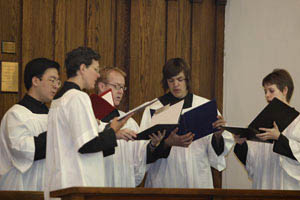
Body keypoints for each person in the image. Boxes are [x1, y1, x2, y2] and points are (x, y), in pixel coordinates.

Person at [44, 47, 131, 198]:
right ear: (83, 68)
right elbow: (87, 145)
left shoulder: (58, 99)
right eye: (95, 69)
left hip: (62, 182)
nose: (98, 75)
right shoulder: (78, 97)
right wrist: (112, 130)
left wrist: (113, 135)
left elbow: (73, 142)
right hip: (78, 184)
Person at [140, 57, 234, 188]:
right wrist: (167, 143)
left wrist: (218, 136)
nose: (175, 85)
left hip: (196, 177)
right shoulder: (154, 108)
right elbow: (142, 152)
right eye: (171, 80)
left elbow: (218, 150)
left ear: (187, 80)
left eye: (180, 79)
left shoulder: (204, 106)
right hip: (164, 179)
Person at [0, 58, 60, 190]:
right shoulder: (16, 115)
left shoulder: (53, 115)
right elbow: (23, 151)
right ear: (35, 81)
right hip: (24, 188)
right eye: (52, 80)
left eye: (58, 81)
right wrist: (61, 132)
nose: (56, 85)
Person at [234, 69, 300, 189]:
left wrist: (279, 138)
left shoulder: (297, 122)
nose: (267, 95)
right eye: (265, 91)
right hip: (264, 186)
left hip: (288, 188)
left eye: (271, 90)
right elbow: (253, 162)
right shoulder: (263, 122)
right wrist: (242, 144)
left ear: (285, 90)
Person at [91, 66, 145, 187]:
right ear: (102, 86)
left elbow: (139, 161)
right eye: (116, 86)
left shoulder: (129, 121)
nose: (120, 91)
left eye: (122, 87)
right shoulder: (89, 119)